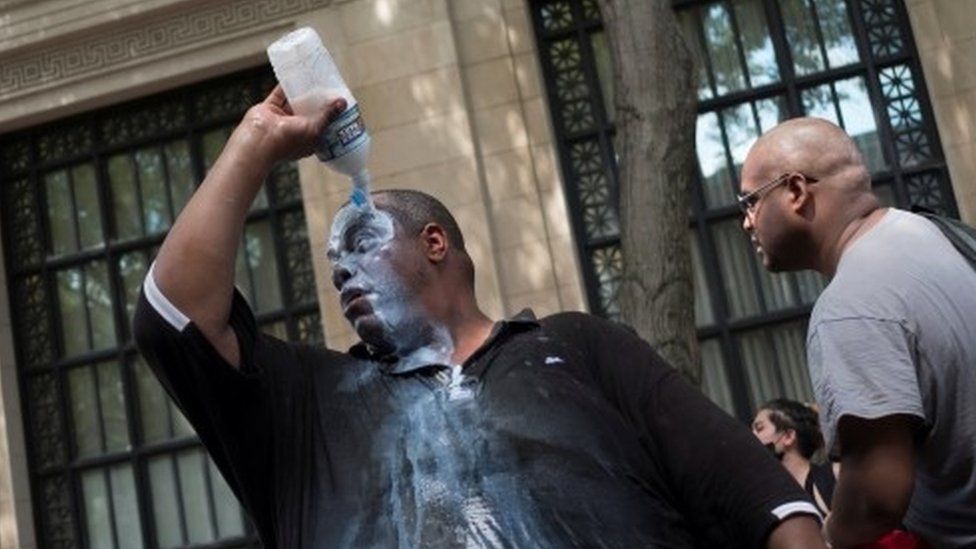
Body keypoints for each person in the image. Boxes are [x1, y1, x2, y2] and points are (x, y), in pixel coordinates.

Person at [133, 85, 827, 548]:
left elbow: (769, 503)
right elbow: (172, 314)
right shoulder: (308, 410)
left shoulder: (581, 349)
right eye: (332, 261)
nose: (342, 269)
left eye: (361, 243)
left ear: (435, 242)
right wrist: (257, 137)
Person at [739, 117, 976, 548]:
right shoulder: (939, 235)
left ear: (796, 192)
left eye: (751, 202)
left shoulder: (849, 307)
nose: (747, 222)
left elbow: (876, 493)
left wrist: (826, 540)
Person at [752, 399, 836, 517]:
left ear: (788, 436)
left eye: (759, 428)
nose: (752, 437)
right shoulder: (767, 499)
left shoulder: (833, 477)